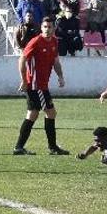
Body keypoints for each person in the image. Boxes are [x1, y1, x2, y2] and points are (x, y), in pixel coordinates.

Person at [14, 16, 68, 156]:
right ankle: (52, 147)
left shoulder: (54, 41)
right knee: (48, 113)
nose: (47, 29)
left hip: (42, 84)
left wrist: (60, 76)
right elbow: (22, 59)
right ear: (41, 28)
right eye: (45, 27)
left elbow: (55, 61)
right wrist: (24, 81)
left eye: (50, 27)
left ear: (53, 28)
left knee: (34, 114)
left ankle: (20, 147)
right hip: (35, 84)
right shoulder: (36, 41)